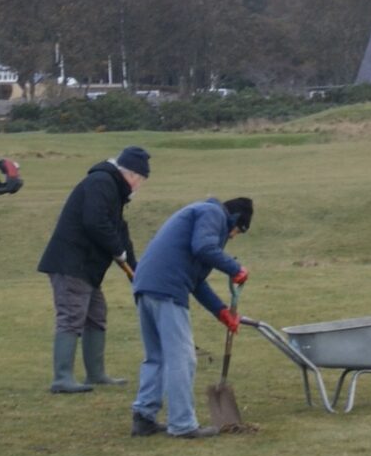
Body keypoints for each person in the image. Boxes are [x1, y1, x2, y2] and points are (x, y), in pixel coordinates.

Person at [127, 195, 253, 439]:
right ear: (235, 219)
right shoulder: (213, 214)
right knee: (182, 358)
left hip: (147, 285)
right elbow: (204, 248)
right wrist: (235, 268)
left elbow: (196, 281)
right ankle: (183, 424)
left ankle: (144, 417)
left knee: (157, 356)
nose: (233, 236)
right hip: (166, 288)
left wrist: (221, 311)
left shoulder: (197, 215)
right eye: (237, 231)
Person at [35, 145, 149, 394]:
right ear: (130, 175)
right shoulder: (101, 182)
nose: (139, 186)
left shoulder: (113, 190)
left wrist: (135, 269)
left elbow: (119, 230)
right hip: (71, 263)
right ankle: (62, 378)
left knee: (96, 313)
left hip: (86, 267)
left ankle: (95, 374)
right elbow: (95, 222)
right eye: (140, 180)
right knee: (72, 315)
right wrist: (118, 252)